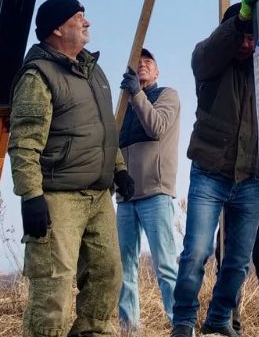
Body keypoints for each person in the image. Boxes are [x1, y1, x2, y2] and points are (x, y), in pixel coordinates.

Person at [170, 0, 259, 337]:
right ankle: (183, 321)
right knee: (196, 253)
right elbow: (210, 53)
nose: (248, 42)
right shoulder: (209, 62)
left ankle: (219, 318)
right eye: (242, 34)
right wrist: (240, 19)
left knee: (238, 262)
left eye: (254, 35)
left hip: (251, 178)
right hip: (210, 173)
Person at [8, 0, 135, 337]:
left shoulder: (93, 71)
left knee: (108, 275)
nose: (87, 23)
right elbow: (24, 142)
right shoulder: (38, 76)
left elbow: (104, 130)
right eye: (79, 18)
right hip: (58, 198)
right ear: (58, 29)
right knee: (54, 290)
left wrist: (119, 169)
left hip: (98, 197)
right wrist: (31, 195)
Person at [117, 47, 181, 331]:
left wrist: (137, 94)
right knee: (124, 268)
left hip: (156, 193)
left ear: (157, 72)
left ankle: (180, 325)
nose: (143, 65)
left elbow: (157, 127)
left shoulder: (167, 95)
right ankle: (129, 329)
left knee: (165, 266)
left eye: (148, 62)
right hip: (126, 197)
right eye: (138, 62)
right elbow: (113, 146)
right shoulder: (124, 106)